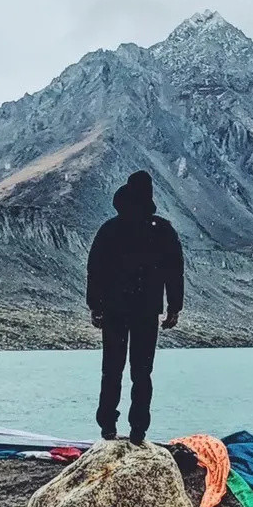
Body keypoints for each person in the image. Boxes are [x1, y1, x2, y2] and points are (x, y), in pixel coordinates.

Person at [87, 170, 184, 444]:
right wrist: (173, 306)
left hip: (115, 310)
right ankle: (138, 431)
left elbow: (96, 270)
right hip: (146, 310)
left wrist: (96, 306)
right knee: (142, 372)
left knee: (112, 369)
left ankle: (107, 426)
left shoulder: (110, 229)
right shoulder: (162, 230)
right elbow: (174, 270)